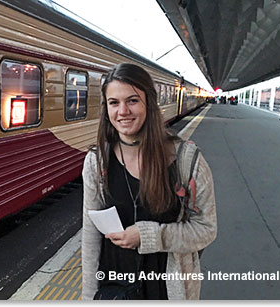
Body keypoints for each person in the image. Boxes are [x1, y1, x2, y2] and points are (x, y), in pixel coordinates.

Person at [81, 63, 217, 300]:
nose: (123, 111)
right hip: (113, 288)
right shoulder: (97, 162)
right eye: (114, 103)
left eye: (132, 100)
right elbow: (91, 234)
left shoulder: (187, 160)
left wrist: (149, 236)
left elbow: (206, 229)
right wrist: (88, 295)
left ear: (149, 104)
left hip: (165, 289)